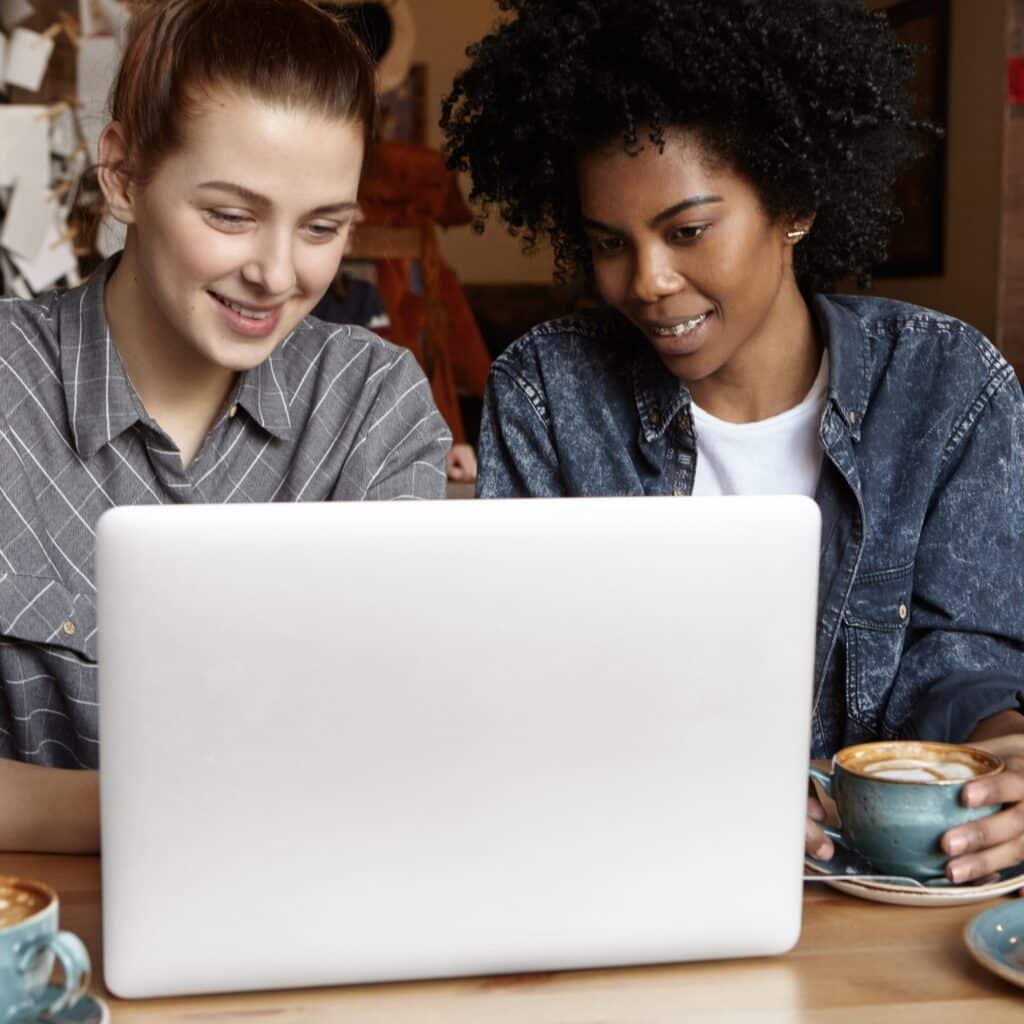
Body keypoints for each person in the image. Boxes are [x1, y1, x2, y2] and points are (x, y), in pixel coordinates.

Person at [442, 0, 1024, 884]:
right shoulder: (548, 394)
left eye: (687, 231)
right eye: (609, 243)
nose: (647, 282)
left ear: (791, 205)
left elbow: (966, 662)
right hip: (634, 877)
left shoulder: (948, 388)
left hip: (888, 901)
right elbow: (524, 686)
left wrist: (1007, 759)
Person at [0, 0, 451, 853]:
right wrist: (159, 815)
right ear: (124, 175)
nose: (276, 273)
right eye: (231, 216)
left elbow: (387, 746)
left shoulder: (371, 404)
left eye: (323, 227)